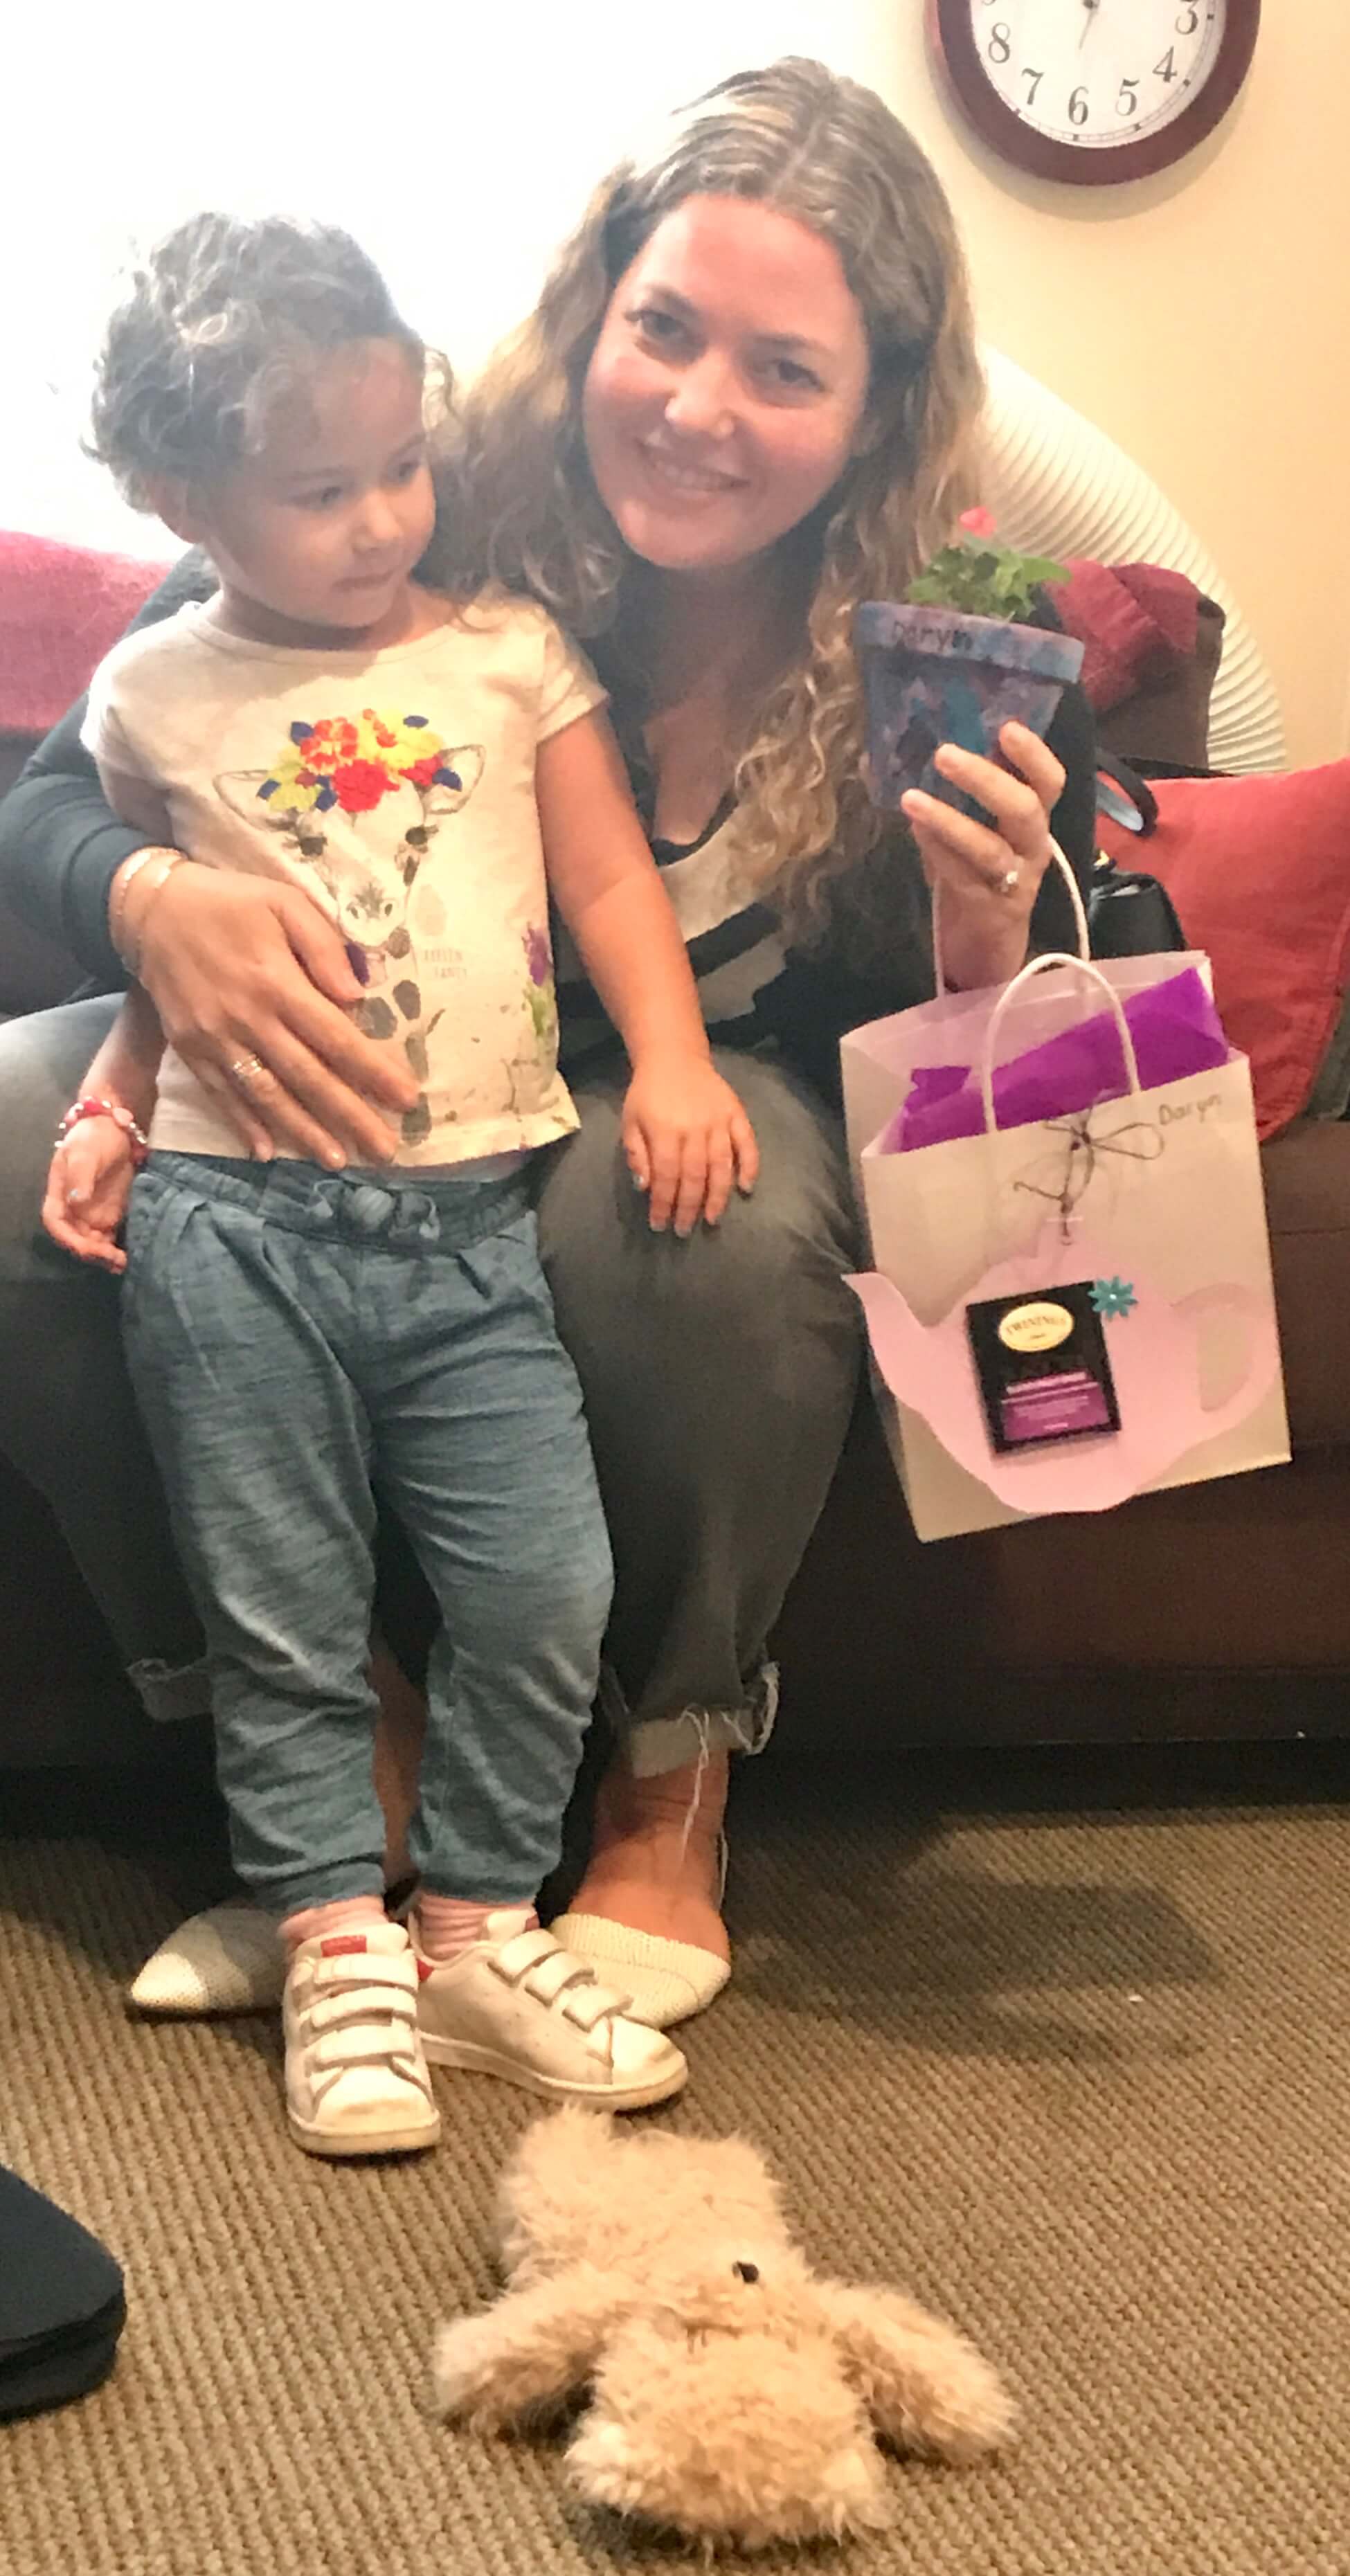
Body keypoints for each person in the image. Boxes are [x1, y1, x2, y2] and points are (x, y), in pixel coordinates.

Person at [0, 59, 1095, 2033]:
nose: (695, 406)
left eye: (783, 366)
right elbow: (84, 768)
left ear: (873, 415)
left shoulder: (943, 648)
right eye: (663, 328)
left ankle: (671, 1794)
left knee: (689, 1210)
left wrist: (980, 938)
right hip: (327, 1119)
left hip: (660, 1135)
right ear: (595, 309)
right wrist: (148, 905)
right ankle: (354, 1773)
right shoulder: (419, 495)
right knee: (7, 1129)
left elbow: (1075, 1028)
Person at [35, 208, 766, 2155]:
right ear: (174, 493)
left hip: (464, 1229)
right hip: (228, 1230)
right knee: (281, 1612)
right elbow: (166, 951)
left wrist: (678, 1059)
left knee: (543, 1589)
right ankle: (331, 1935)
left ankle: (467, 1919)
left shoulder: (508, 653)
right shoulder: (154, 692)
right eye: (320, 488)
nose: (379, 520)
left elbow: (608, 878)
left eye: (402, 466)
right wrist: (111, 1105)